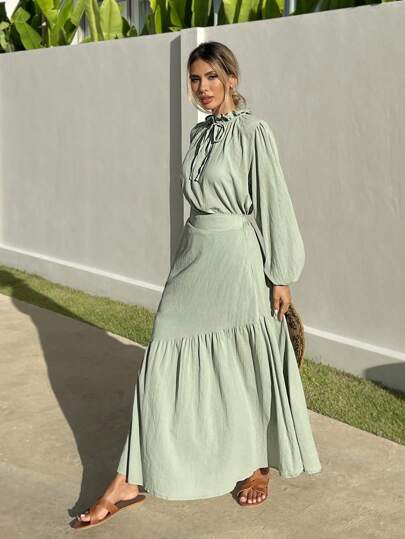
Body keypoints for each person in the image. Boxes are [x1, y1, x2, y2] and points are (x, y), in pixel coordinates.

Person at [74, 40, 321, 529]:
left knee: (243, 362)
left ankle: (255, 464)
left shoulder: (253, 131)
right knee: (163, 350)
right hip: (195, 255)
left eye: (211, 77)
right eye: (195, 79)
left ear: (232, 78)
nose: (203, 87)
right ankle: (132, 476)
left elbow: (273, 200)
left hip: (238, 259)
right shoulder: (198, 133)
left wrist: (281, 275)